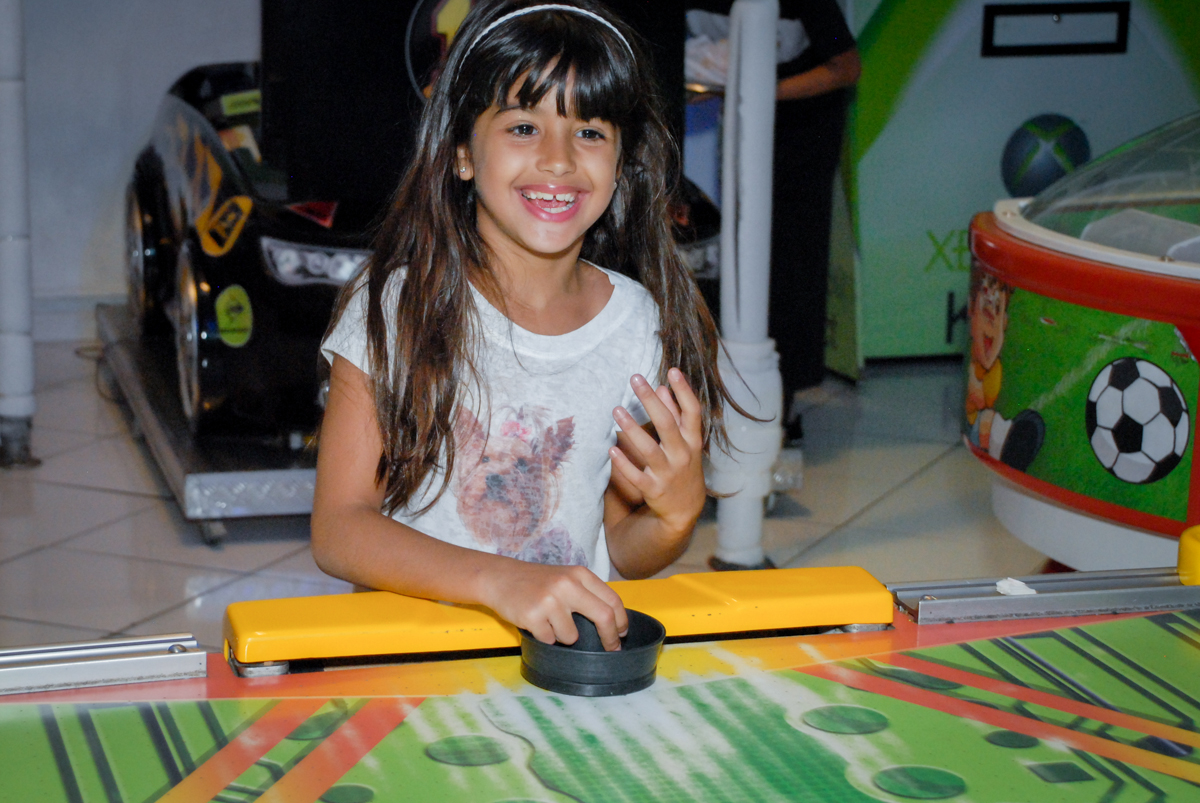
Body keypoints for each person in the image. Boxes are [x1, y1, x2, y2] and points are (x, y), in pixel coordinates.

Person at [312, 1, 742, 654]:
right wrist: (500, 581)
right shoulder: (396, 305)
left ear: (621, 161)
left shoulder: (636, 324)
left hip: (560, 671)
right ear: (462, 153)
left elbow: (621, 549)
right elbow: (339, 528)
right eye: (522, 126)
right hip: (411, 664)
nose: (558, 159)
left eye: (589, 132)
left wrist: (675, 518)